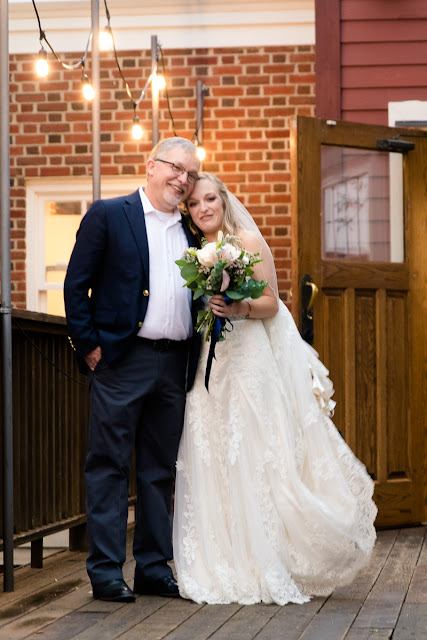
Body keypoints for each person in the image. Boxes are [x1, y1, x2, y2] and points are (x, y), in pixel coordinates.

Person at [173, 173, 377, 605]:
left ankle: (266, 555)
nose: (203, 208)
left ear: (223, 200)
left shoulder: (245, 240)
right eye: (194, 203)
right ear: (188, 211)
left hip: (247, 360)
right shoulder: (191, 253)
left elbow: (271, 302)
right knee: (214, 451)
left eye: (210, 198)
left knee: (256, 453)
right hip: (209, 363)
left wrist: (238, 307)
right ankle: (224, 556)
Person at [64, 137, 202, 603]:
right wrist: (90, 348)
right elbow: (76, 283)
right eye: (176, 169)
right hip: (122, 361)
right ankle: (105, 571)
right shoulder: (109, 214)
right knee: (107, 466)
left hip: (176, 363)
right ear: (151, 166)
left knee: (160, 470)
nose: (182, 180)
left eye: (190, 174)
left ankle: (152, 567)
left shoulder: (192, 231)